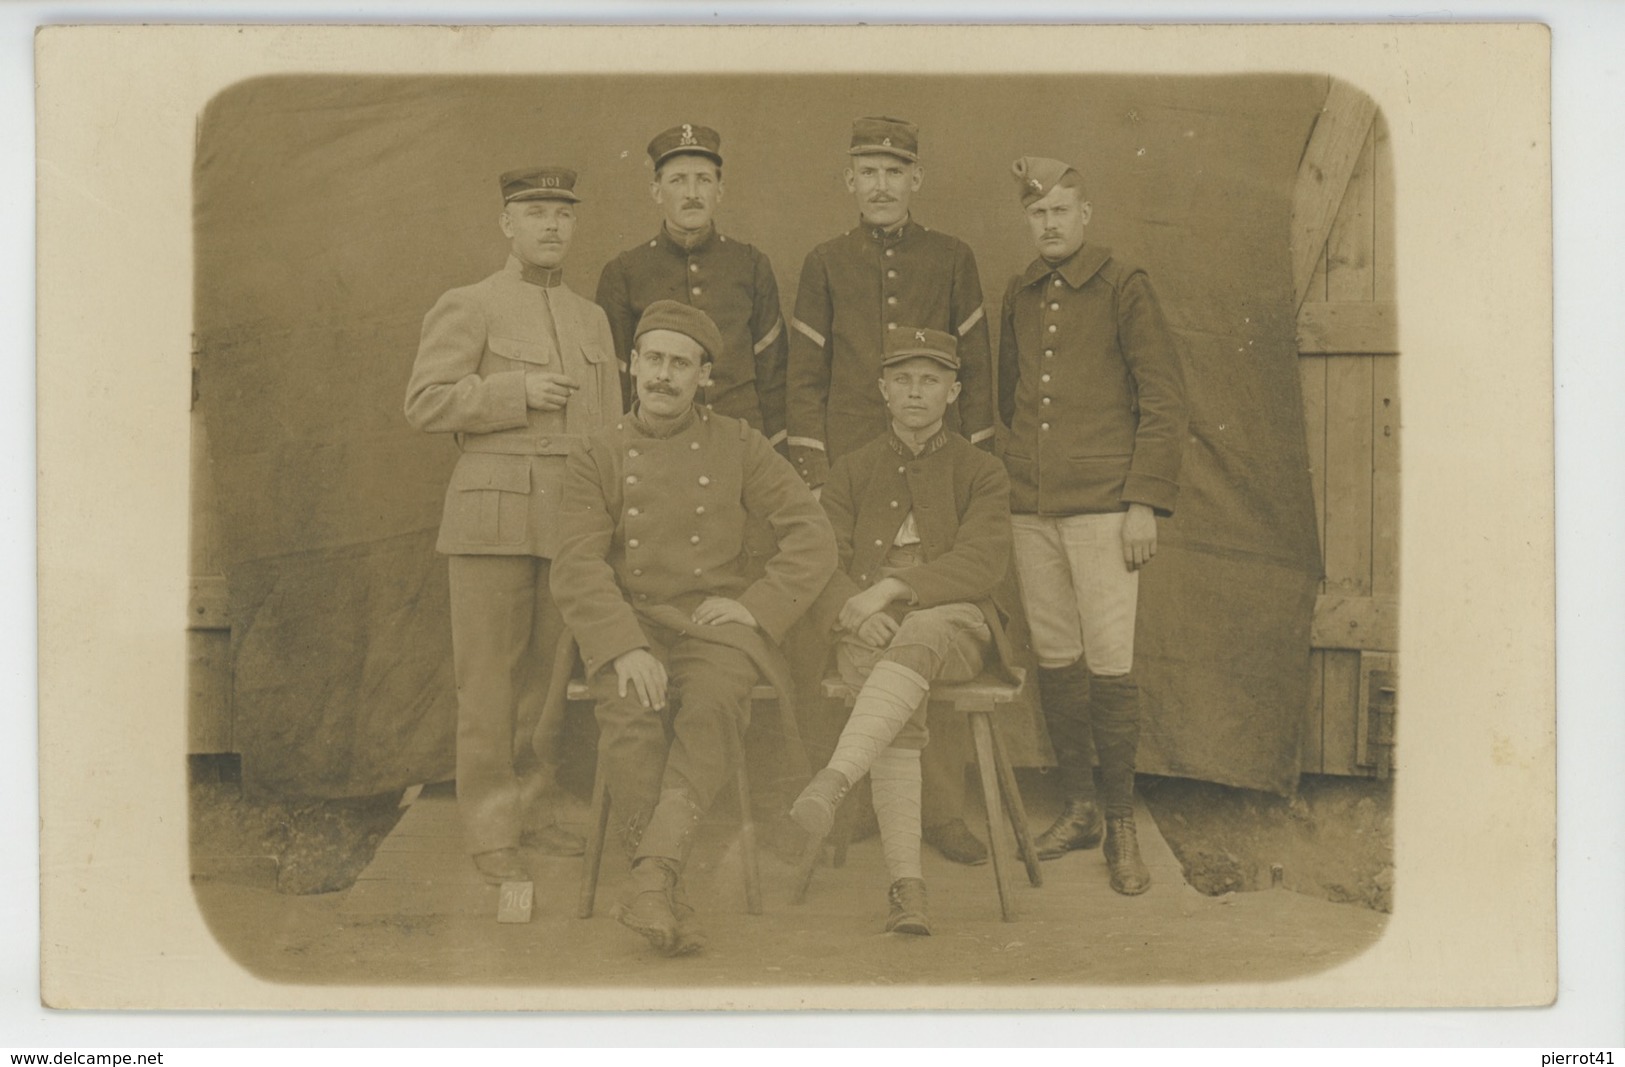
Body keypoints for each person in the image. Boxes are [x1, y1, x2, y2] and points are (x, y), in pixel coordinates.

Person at [551, 300, 836, 957]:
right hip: (634, 617)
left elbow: (812, 535)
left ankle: (651, 878)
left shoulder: (738, 442)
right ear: (632, 364)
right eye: (653, 358)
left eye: (681, 363)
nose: (663, 375)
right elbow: (576, 563)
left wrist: (758, 606)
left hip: (715, 625)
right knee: (628, 705)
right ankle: (659, 881)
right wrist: (623, 646)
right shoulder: (597, 452)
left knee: (709, 707)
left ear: (704, 376)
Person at [783, 114, 997, 866]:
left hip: (935, 468)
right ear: (849, 181)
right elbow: (803, 380)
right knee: (853, 623)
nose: (879, 185)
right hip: (854, 469)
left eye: (892, 171)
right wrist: (813, 476)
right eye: (865, 170)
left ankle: (937, 812)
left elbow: (973, 370)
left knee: (924, 618)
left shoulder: (950, 257)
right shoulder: (825, 261)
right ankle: (864, 802)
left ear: (915, 181)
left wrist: (966, 474)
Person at [404, 165, 622, 885]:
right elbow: (426, 402)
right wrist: (514, 390)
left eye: (563, 212)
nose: (551, 225)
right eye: (535, 212)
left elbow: (612, 430)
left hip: (570, 514)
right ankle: (492, 825)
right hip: (491, 513)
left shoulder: (591, 319)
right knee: (489, 679)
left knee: (549, 677)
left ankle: (537, 802)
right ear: (506, 223)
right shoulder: (469, 304)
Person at [783, 326, 1017, 936]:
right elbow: (818, 556)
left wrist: (893, 589)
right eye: (904, 380)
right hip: (870, 623)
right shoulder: (854, 469)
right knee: (892, 694)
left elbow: (984, 560)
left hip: (956, 621)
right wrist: (852, 610)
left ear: (954, 391)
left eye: (931, 381)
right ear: (884, 390)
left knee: (927, 628)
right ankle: (907, 889)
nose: (916, 393)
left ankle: (836, 779)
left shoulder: (981, 470)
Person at [997, 156, 1188, 895]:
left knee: (1109, 663)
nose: (1048, 224)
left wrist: (1142, 500)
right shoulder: (1019, 292)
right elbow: (1013, 396)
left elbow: (1163, 400)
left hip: (1107, 508)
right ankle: (1078, 807)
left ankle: (1120, 824)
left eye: (1060, 211)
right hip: (1030, 507)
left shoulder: (1122, 287)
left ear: (1085, 216)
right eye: (1036, 214)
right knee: (1054, 656)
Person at [595, 123, 789, 446]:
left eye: (703, 180)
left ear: (720, 190)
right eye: (677, 180)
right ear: (656, 191)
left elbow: (774, 376)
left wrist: (775, 454)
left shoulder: (751, 265)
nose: (692, 194)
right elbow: (616, 382)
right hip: (657, 448)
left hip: (739, 446)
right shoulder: (624, 271)